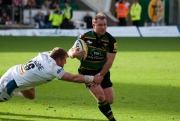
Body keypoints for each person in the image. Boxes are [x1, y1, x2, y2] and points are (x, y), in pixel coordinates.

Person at [0, 47, 103, 102]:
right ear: (58, 60)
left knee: (31, 95)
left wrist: (72, 54)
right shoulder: (53, 69)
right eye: (64, 60)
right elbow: (73, 78)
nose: (65, 63)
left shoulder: (46, 54)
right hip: (10, 83)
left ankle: (20, 87)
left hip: (15, 71)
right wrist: (93, 78)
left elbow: (61, 53)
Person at [68, 13, 117, 121]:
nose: (103, 27)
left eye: (105, 24)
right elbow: (70, 51)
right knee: (100, 96)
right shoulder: (84, 37)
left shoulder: (111, 40)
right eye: (100, 25)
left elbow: (110, 61)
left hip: (102, 72)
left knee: (110, 100)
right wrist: (73, 55)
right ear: (93, 25)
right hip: (87, 72)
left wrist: (100, 75)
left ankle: (104, 107)